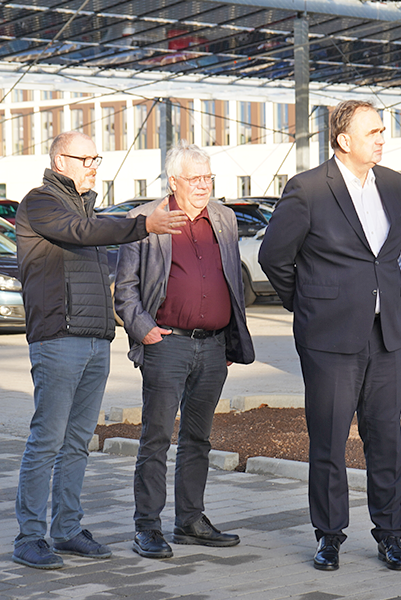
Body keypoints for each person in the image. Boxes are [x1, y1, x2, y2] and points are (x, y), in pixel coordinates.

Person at [13, 131, 188, 569]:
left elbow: (90, 228)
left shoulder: (86, 206)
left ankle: (67, 529)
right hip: (57, 340)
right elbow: (82, 232)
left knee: (77, 442)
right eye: (85, 157)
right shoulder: (40, 202)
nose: (94, 164)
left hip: (94, 340)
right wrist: (141, 224)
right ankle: (30, 537)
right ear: (59, 162)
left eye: (97, 157)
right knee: (47, 440)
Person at [258, 100, 401, 572]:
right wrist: (307, 305)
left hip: (384, 335)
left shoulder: (393, 184)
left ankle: (389, 535)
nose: (383, 138)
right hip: (328, 338)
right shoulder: (307, 189)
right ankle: (329, 536)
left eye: (383, 130)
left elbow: (385, 255)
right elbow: (274, 258)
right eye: (374, 132)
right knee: (328, 441)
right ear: (344, 140)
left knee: (386, 439)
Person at [114, 141, 255, 560]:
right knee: (156, 438)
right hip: (166, 345)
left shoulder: (224, 219)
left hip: (213, 348)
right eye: (196, 179)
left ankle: (190, 520)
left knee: (199, 438)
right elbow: (125, 291)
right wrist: (146, 331)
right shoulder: (144, 221)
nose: (204, 186)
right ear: (174, 181)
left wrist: (229, 337)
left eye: (209, 177)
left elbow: (231, 280)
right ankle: (148, 527)